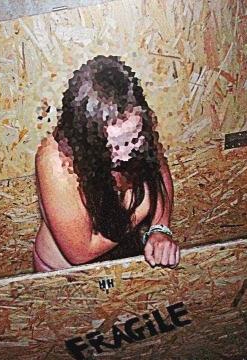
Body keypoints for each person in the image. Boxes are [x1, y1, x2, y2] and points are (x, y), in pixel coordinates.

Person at [34, 55, 179, 272]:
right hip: (66, 273)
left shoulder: (137, 132)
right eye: (115, 145)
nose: (127, 153)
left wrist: (159, 228)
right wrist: (140, 209)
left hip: (120, 262)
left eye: (133, 138)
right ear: (87, 137)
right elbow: (80, 253)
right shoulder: (55, 159)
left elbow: (158, 169)